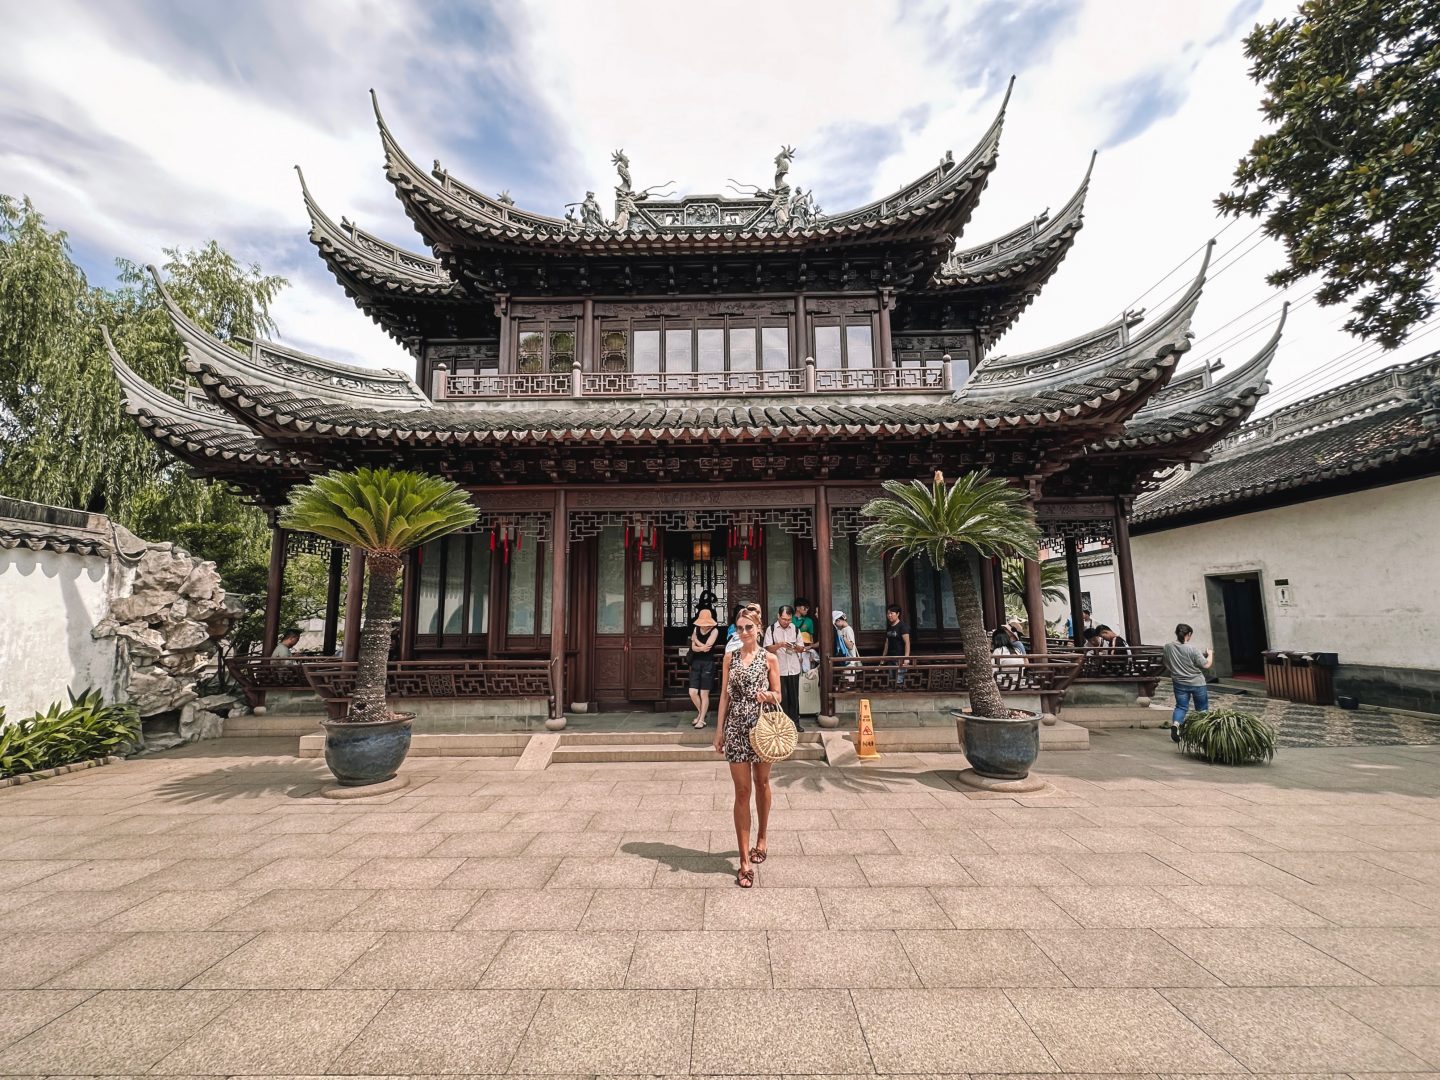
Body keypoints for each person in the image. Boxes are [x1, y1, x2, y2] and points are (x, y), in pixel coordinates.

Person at [713, 608, 782, 889]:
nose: (743, 633)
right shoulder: (730, 657)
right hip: (736, 727)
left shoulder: (770, 658)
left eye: (748, 628)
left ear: (758, 629)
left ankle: (762, 838)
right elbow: (724, 696)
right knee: (742, 791)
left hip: (762, 725)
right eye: (739, 628)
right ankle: (743, 860)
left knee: (762, 781)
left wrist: (768, 695)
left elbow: (778, 694)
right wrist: (718, 730)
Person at [1163, 622, 1213, 743]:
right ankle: (1202, 733)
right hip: (1197, 683)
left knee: (1181, 706)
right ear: (1188, 634)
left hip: (1179, 682)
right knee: (1202, 709)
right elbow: (1206, 665)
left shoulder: (1167, 647)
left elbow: (1166, 663)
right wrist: (1210, 654)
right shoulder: (1192, 649)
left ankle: (1176, 725)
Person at [764, 605, 805, 729]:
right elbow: (767, 648)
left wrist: (794, 647)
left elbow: (801, 648)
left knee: (794, 697)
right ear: (778, 616)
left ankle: (795, 724)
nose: (786, 622)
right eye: (783, 619)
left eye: (788, 619)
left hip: (793, 668)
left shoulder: (796, 629)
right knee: (781, 698)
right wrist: (780, 645)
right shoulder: (771, 629)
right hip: (778, 669)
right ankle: (781, 725)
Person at [688, 609, 721, 729]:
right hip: (696, 662)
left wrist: (696, 641)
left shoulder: (714, 631)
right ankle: (702, 713)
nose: (704, 626)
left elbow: (707, 647)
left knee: (704, 693)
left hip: (708, 663)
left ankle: (701, 719)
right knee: (692, 692)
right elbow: (693, 648)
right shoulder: (696, 629)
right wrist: (699, 647)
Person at [882, 604, 910, 685]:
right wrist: (883, 657)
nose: (889, 615)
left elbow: (907, 643)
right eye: (888, 613)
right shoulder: (889, 627)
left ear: (898, 614)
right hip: (891, 658)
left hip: (900, 658)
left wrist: (906, 658)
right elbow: (887, 643)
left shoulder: (903, 626)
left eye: (891, 613)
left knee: (899, 681)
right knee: (891, 680)